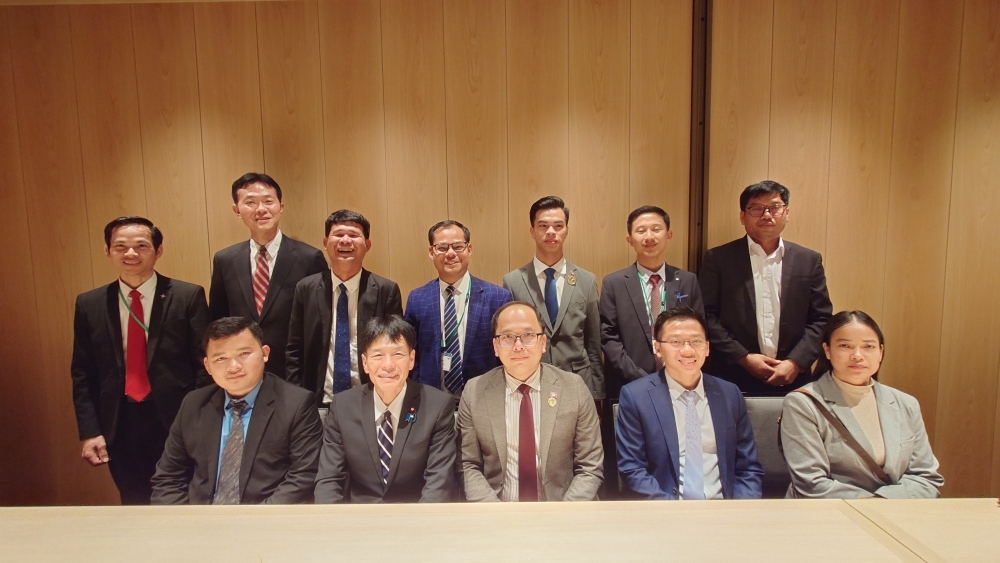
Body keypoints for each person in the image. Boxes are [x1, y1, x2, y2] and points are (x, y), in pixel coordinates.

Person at [70, 216, 209, 504]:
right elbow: (83, 372)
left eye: (141, 246)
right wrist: (90, 431)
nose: (130, 253)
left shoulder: (186, 296)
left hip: (176, 419)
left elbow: (204, 364)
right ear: (108, 251)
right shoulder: (90, 303)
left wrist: (198, 419)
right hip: (120, 422)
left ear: (158, 251)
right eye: (120, 246)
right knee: (134, 501)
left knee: (182, 498)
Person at [151, 317, 322, 504]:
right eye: (221, 358)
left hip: (265, 522)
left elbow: (303, 477)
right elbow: (168, 477)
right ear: (208, 366)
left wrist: (250, 523)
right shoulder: (193, 404)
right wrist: (187, 523)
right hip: (200, 522)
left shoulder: (296, 404)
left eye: (244, 353)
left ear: (265, 353)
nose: (234, 367)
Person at [780, 311, 943, 499]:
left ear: (880, 352)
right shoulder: (803, 403)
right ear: (827, 350)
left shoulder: (906, 403)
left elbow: (925, 476)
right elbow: (812, 483)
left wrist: (884, 503)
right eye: (845, 346)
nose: (857, 355)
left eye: (868, 346)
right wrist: (874, 505)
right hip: (829, 516)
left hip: (895, 513)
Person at [458, 301, 604, 501]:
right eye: (508, 337)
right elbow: (468, 465)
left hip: (563, 511)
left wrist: (564, 515)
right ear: (495, 346)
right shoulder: (474, 392)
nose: (518, 346)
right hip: (497, 513)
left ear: (543, 342)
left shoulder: (574, 388)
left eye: (528, 336)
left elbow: (590, 467)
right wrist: (494, 513)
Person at [699, 180, 832, 396]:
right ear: (742, 216)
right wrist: (743, 357)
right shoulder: (718, 259)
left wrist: (795, 363)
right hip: (733, 377)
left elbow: (822, 318)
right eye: (756, 209)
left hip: (794, 380)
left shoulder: (808, 260)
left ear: (786, 213)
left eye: (774, 207)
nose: (766, 215)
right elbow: (706, 316)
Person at [616, 307, 763, 500]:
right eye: (675, 342)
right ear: (657, 348)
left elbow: (748, 467)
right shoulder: (636, 397)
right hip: (666, 513)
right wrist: (675, 514)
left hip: (724, 512)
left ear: (707, 347)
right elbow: (632, 468)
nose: (687, 350)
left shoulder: (729, 394)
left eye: (696, 341)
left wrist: (738, 511)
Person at [314, 315, 458, 503]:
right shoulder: (343, 406)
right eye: (378, 355)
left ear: (411, 359)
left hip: (414, 518)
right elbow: (329, 480)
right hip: (359, 520)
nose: (388, 365)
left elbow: (438, 482)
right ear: (365, 363)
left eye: (398, 354)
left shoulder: (437, 406)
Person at [208, 173, 328, 383]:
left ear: (280, 206)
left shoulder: (309, 258)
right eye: (250, 202)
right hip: (240, 372)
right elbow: (218, 320)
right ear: (236, 210)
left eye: (268, 201)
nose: (261, 209)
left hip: (292, 373)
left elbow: (319, 323)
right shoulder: (225, 260)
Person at [286, 210, 403, 411]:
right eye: (338, 234)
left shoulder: (386, 290)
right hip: (318, 403)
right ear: (325, 242)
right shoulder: (306, 289)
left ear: (367, 245)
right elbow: (294, 350)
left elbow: (394, 349)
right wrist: (297, 399)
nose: (345, 241)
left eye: (354, 235)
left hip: (370, 401)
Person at [503, 196, 604, 403]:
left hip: (579, 382)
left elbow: (593, 343)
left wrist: (597, 393)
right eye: (543, 226)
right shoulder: (513, 281)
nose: (551, 231)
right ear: (532, 231)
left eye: (558, 225)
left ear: (566, 230)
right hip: (530, 381)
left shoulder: (586, 280)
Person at [600, 205, 704, 392]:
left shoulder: (688, 280)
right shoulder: (614, 283)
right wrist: (640, 377)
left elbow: (699, 332)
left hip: (682, 382)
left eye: (656, 229)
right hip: (629, 384)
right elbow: (609, 338)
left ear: (668, 235)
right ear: (630, 239)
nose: (649, 236)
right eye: (641, 231)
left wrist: (680, 371)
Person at [405, 220, 511, 395]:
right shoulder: (417, 298)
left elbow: (505, 352)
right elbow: (410, 352)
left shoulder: (498, 297)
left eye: (458, 246)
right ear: (431, 252)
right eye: (442, 247)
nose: (451, 253)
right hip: (430, 399)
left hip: (484, 396)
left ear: (469, 249)